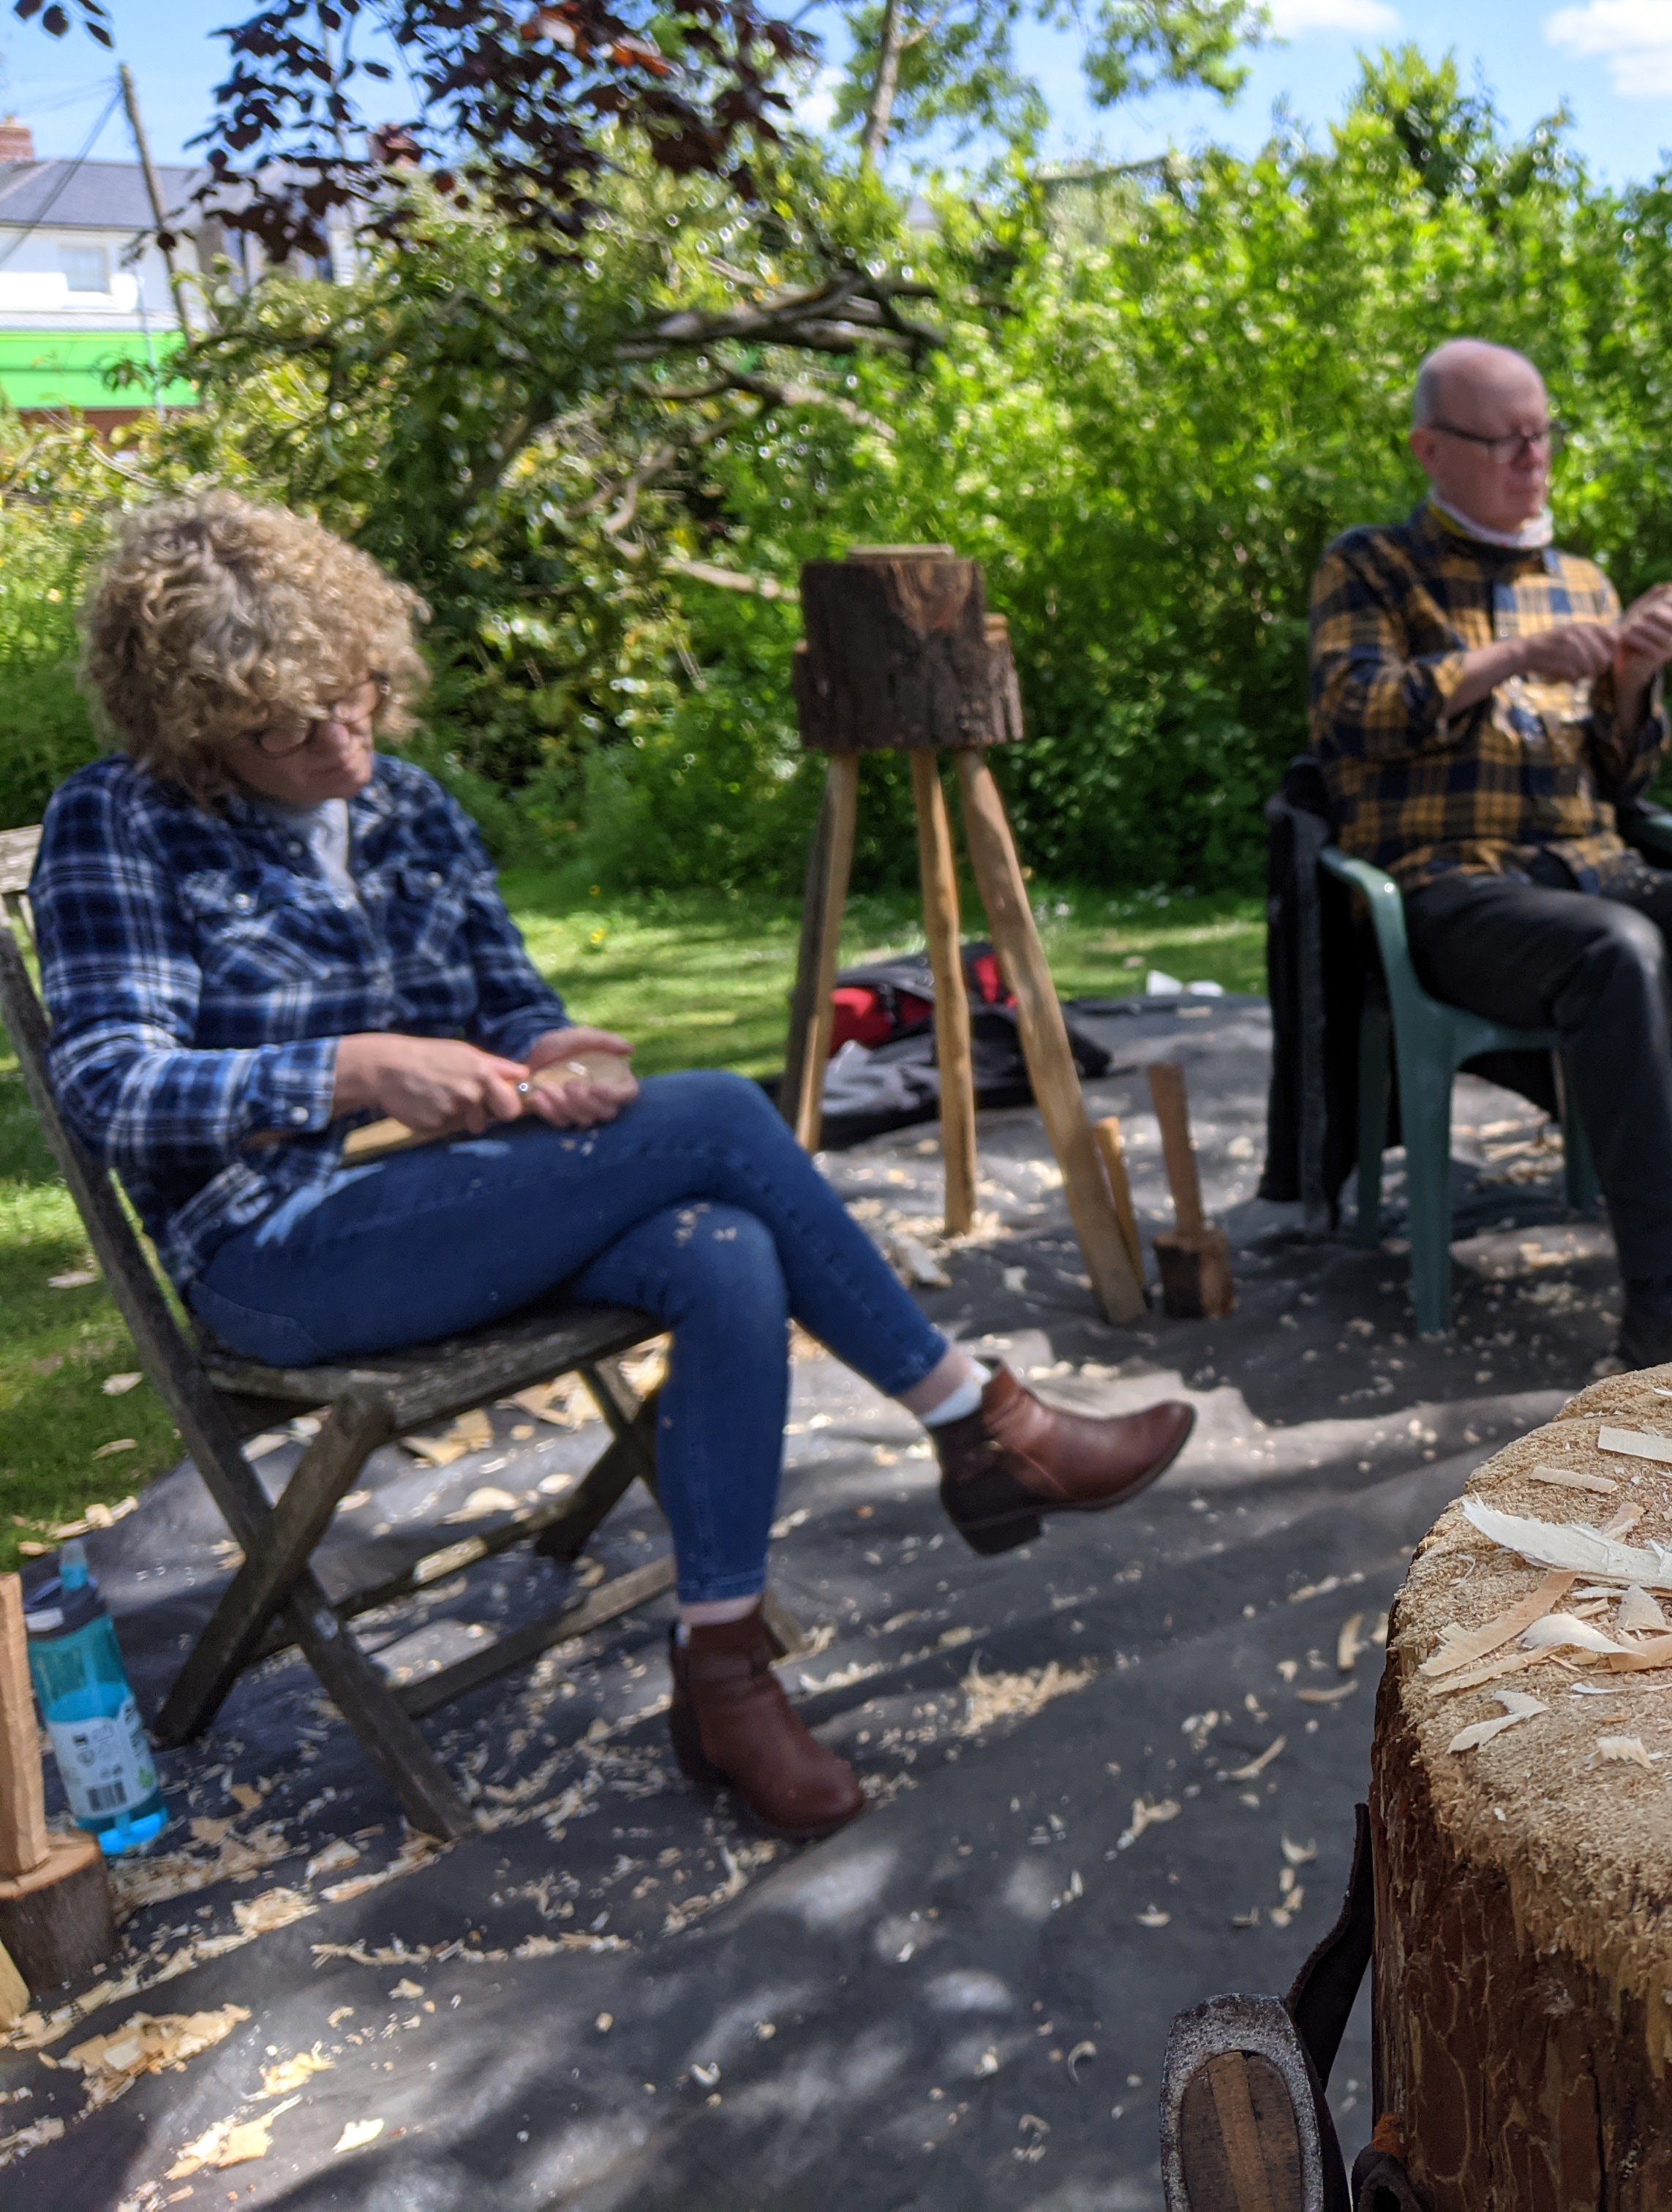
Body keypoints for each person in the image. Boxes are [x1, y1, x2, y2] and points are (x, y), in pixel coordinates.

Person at [33, 491, 1195, 1843]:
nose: (338, 738)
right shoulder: (119, 821)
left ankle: (724, 1669)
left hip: (458, 1197)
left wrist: (561, 1049)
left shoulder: (404, 805)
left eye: (351, 694)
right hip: (276, 1252)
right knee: (714, 1116)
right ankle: (976, 1422)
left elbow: (513, 1002)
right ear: (191, 723)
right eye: (282, 727)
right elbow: (112, 1086)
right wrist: (359, 1067)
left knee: (723, 1244)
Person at [1308, 339, 1672, 1383]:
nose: (1533, 457)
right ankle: (1668, 1298)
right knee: (1617, 951)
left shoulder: (1580, 580)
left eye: (1542, 433)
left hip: (1594, 871)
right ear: (1430, 449)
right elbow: (1351, 715)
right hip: (1450, 889)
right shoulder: (1371, 565)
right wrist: (1506, 658)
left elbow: (1624, 780)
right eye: (1504, 439)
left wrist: (1633, 681)